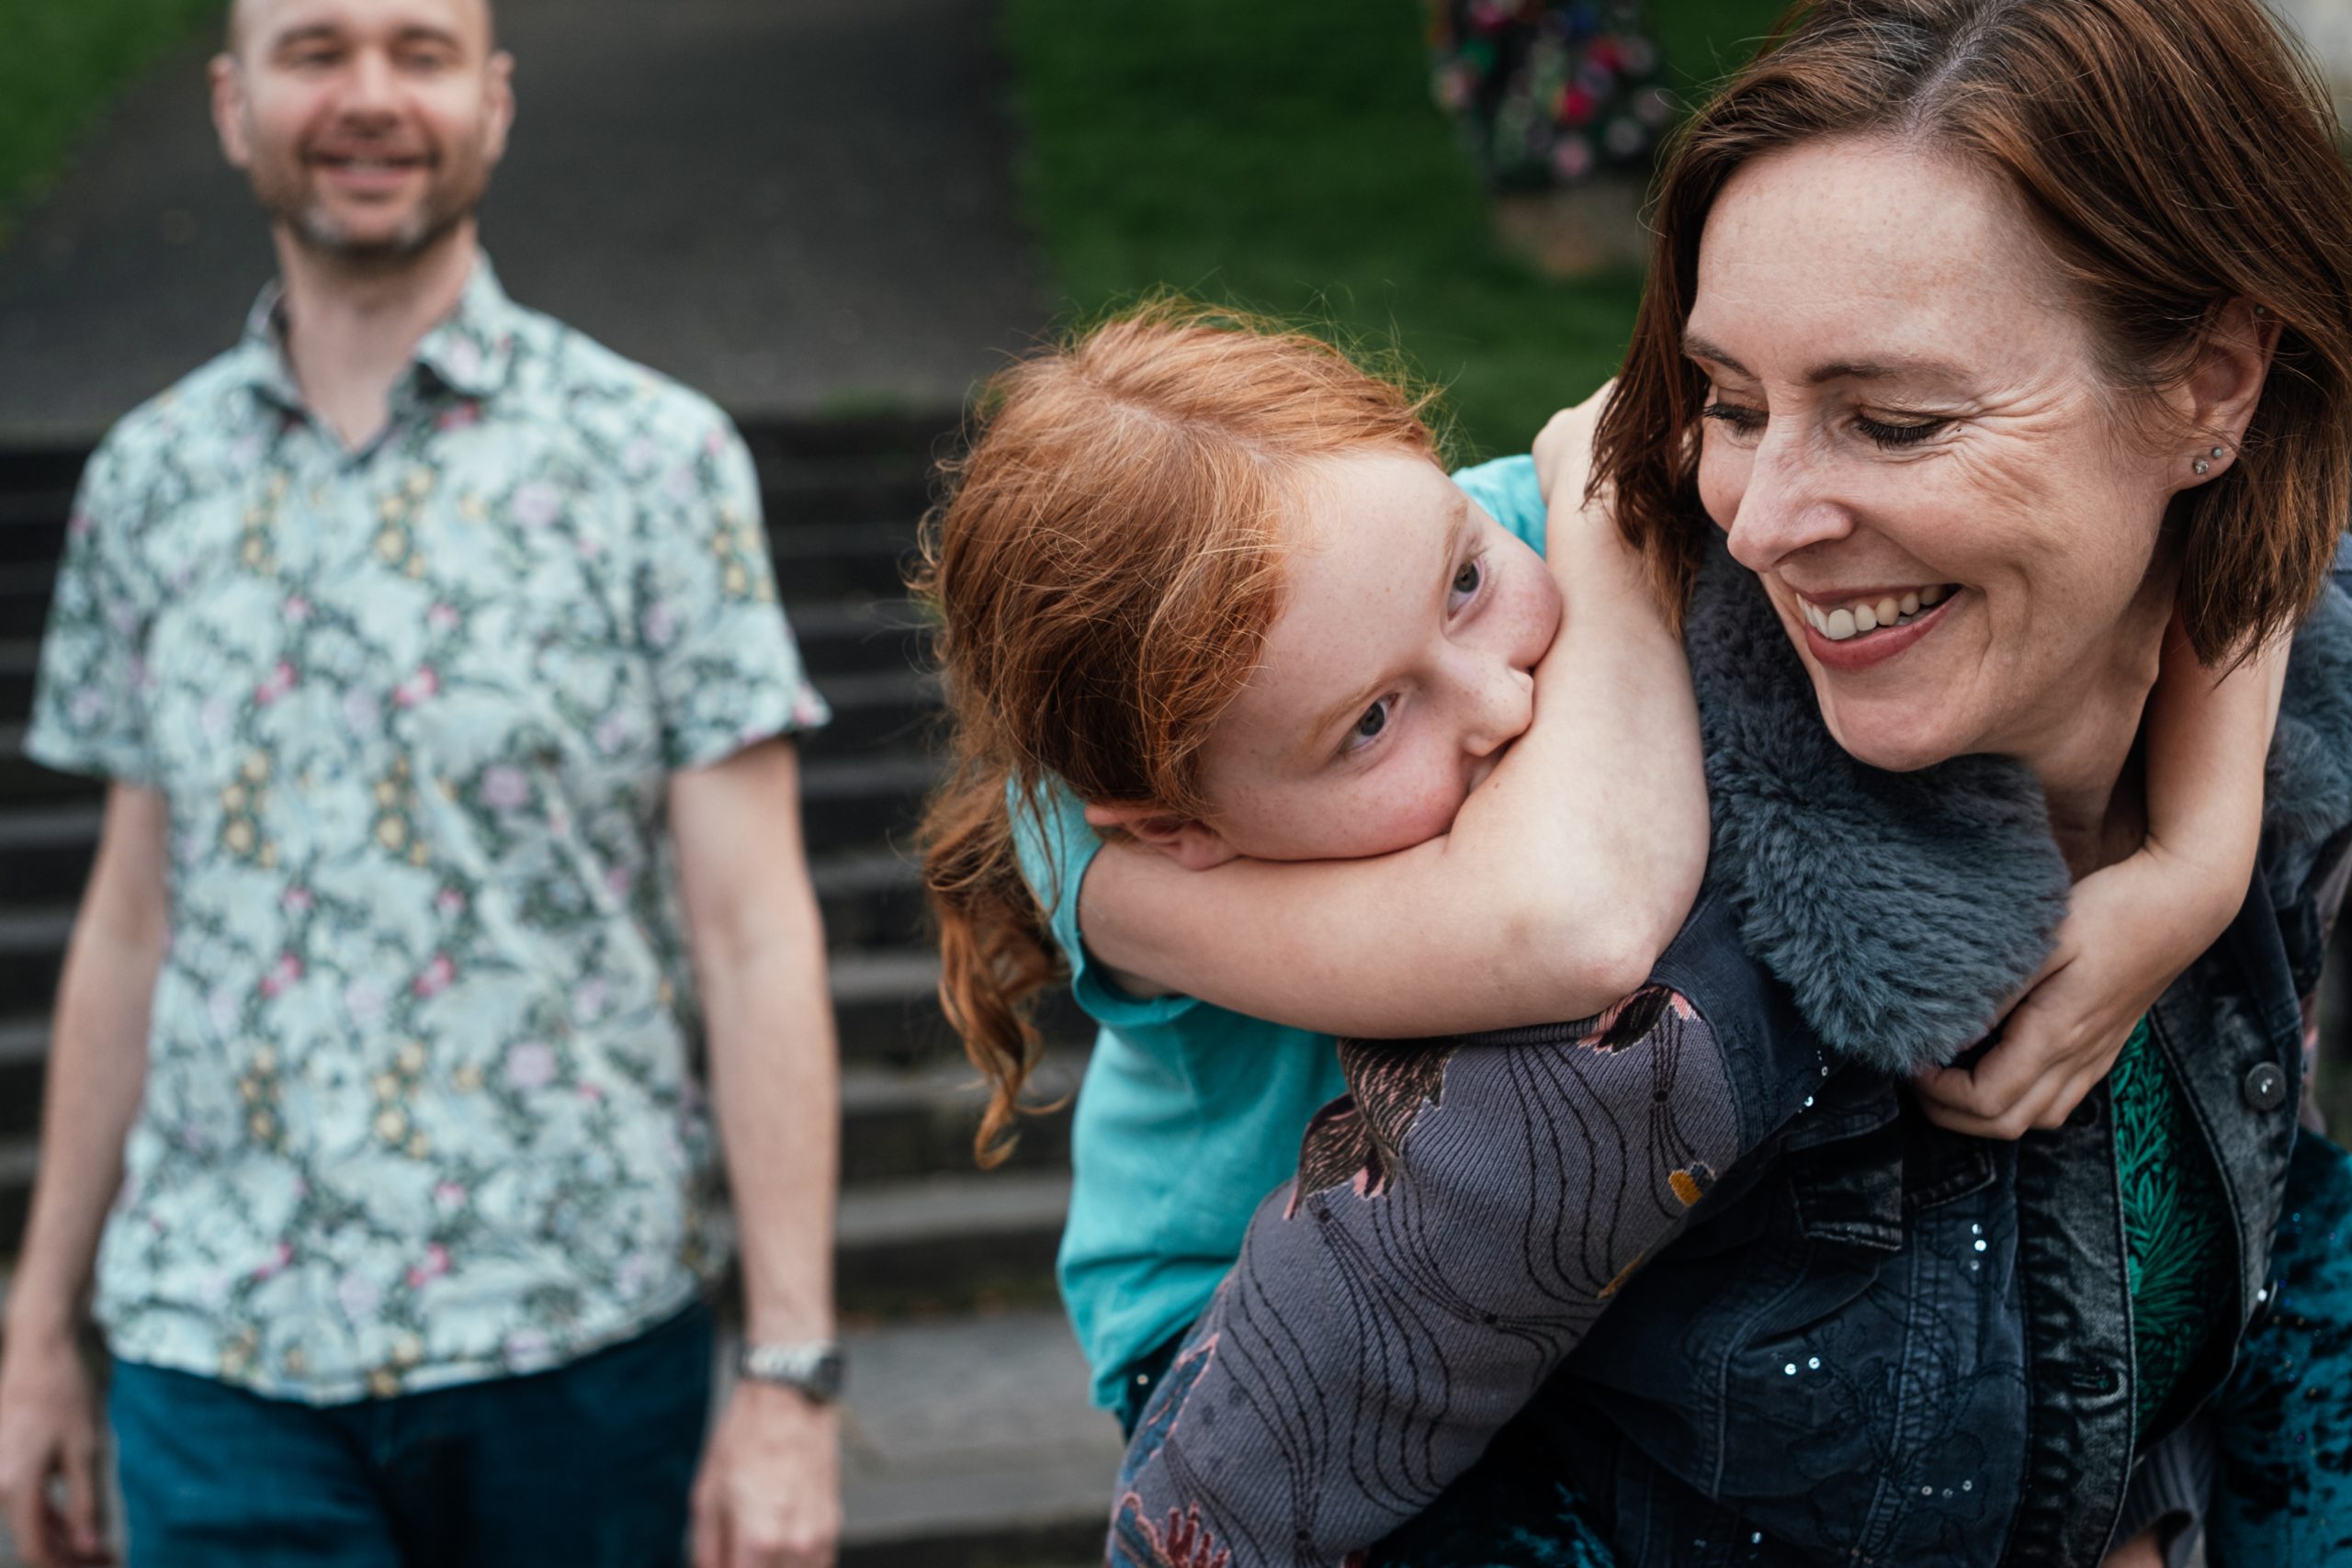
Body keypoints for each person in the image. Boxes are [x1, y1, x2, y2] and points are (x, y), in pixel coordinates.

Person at [1097, 1, 2352, 1563]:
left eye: (1893, 419)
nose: (1759, 524)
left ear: (2213, 391)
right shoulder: (1642, 1021)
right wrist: (1099, 885)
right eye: (1732, 407)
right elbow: (1211, 1518)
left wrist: (2203, 855)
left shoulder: (2285, 709)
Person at [0, 2, 843, 1565]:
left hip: (578, 1345)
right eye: (316, 51)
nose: (370, 97)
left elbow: (754, 932)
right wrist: (35, 1329)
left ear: (495, 101)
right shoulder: (146, 483)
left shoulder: (657, 463)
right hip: (216, 1359)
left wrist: (789, 1370)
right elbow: (128, 924)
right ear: (230, 101)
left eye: (420, 51)